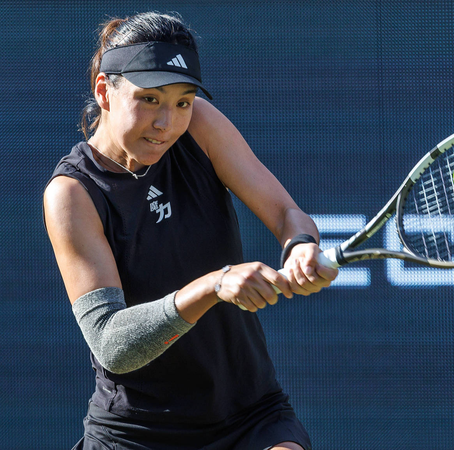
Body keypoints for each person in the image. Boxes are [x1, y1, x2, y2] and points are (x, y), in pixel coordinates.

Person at [43, 12, 338, 450]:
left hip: (248, 415)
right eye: (149, 100)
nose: (167, 123)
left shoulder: (199, 126)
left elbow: (285, 213)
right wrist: (214, 285)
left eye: (182, 102)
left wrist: (300, 245)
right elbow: (112, 345)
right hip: (136, 435)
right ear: (104, 91)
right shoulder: (71, 195)